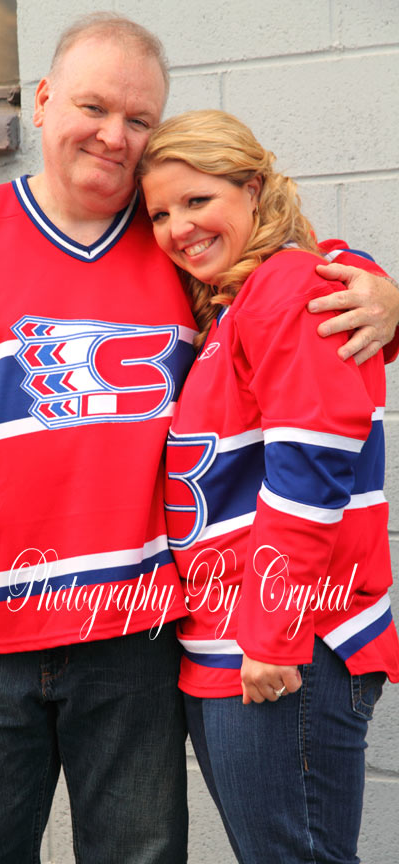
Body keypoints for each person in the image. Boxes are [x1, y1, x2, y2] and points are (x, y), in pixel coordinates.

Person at [0, 13, 399, 864]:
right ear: (42, 101)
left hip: (133, 640)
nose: (114, 135)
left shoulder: (174, 247)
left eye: (139, 119)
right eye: (94, 106)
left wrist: (379, 294)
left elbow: (286, 288)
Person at [138, 108, 399, 863]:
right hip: (234, 643)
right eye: (160, 214)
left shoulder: (288, 286)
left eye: (197, 200)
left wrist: (273, 629)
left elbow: (311, 470)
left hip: (286, 646)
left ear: (253, 188)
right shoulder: (235, 303)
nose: (179, 228)